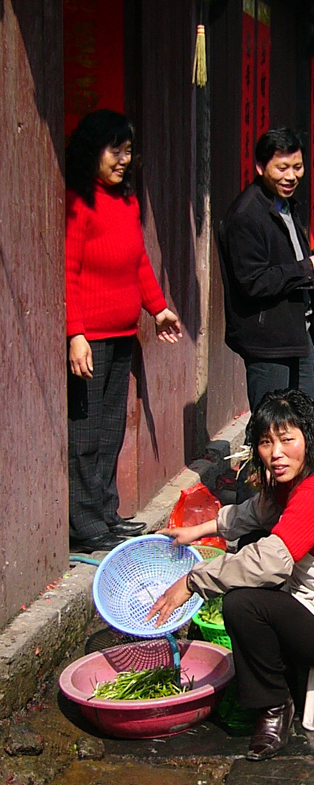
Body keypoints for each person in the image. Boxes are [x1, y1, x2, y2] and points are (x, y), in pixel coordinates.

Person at [148, 390, 314, 762]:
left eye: (287, 440)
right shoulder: (304, 472)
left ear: (308, 438)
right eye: (266, 442)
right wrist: (198, 531)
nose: (276, 453)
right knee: (250, 541)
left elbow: (269, 562)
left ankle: (274, 709)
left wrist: (192, 581)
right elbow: (260, 511)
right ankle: (282, 679)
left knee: (243, 605)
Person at [65, 110, 182, 554]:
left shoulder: (128, 201)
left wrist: (159, 308)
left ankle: (105, 513)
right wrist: (75, 334)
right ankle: (84, 525)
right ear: (93, 151)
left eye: (128, 151)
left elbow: (138, 261)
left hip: (121, 334)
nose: (123, 160)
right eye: (115, 150)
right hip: (90, 339)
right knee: (85, 433)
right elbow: (68, 274)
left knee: (111, 429)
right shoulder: (79, 202)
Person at [217, 128, 314, 418]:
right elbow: (252, 282)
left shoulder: (284, 205)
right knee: (272, 426)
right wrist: (307, 268)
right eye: (282, 168)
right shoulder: (246, 215)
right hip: (267, 341)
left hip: (295, 333)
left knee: (309, 421)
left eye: (297, 167)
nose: (291, 176)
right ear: (261, 167)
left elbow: (284, 260)